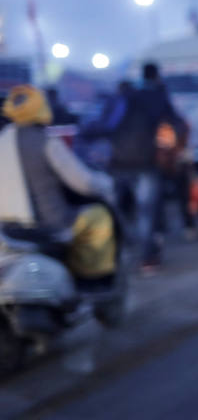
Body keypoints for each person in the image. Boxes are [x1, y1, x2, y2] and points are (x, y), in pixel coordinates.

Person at [0, 85, 117, 280]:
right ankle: (92, 277)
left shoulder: (3, 139)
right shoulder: (47, 141)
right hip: (49, 224)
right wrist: (106, 184)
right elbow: (84, 183)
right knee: (99, 216)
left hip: (6, 227)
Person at [109, 62, 185, 273]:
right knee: (146, 212)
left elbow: (107, 124)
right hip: (145, 160)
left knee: (120, 210)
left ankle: (115, 258)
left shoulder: (126, 95)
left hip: (118, 160)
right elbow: (176, 122)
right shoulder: (158, 96)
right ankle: (147, 259)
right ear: (157, 75)